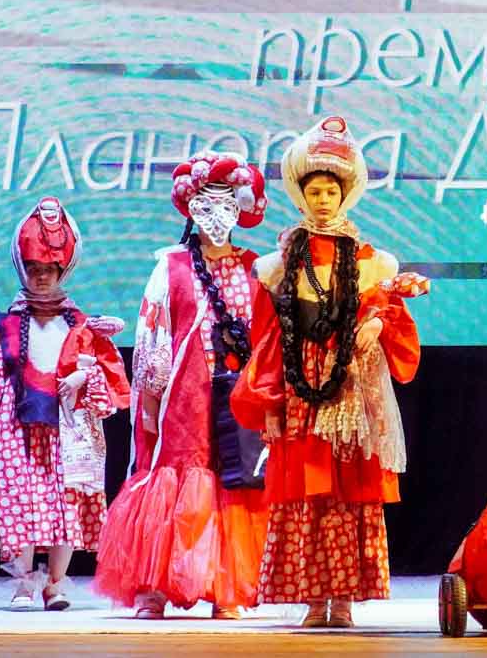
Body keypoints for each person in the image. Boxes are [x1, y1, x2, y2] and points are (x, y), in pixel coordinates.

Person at [232, 115, 427, 628]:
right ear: (301, 195)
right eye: (314, 191)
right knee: (305, 489)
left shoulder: (370, 261)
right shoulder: (277, 265)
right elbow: (267, 341)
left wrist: (379, 322)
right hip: (301, 390)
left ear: (345, 196)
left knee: (346, 489)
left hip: (350, 390)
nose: (323, 200)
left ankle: (343, 599)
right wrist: (270, 403)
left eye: (331, 191)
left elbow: (390, 313)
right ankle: (312, 598)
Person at [93, 151, 270, 619]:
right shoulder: (170, 266)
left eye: (226, 205)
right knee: (174, 473)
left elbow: (266, 336)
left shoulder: (255, 267)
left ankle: (226, 587)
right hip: (184, 394)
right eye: (206, 205)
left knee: (235, 475)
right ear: (191, 208)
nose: (217, 217)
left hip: (238, 392)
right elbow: (153, 336)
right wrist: (151, 398)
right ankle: (155, 585)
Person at [0, 196, 129, 610]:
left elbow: (107, 374)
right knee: (22, 504)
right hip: (20, 430)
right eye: (35, 269)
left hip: (68, 431)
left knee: (66, 508)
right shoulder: (9, 326)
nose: (42, 278)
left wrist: (83, 376)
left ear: (62, 271)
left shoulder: (79, 323)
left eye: (49, 270)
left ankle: (55, 586)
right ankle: (24, 585)